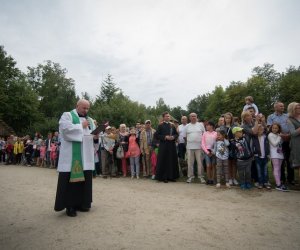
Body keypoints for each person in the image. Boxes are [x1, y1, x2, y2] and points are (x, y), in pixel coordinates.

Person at [54, 99, 97, 217]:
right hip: (71, 157)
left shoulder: (90, 120)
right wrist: (80, 126)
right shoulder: (67, 115)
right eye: (84, 108)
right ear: (77, 106)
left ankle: (83, 203)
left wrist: (96, 136)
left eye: (88, 108)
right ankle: (70, 206)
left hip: (86, 156)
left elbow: (92, 136)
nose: (86, 110)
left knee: (85, 181)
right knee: (71, 184)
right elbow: (65, 130)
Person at [267, 102, 294, 185]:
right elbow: (269, 128)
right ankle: (281, 179)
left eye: (283, 106)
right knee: (278, 162)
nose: (283, 107)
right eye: (281, 106)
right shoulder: (271, 117)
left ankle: (291, 179)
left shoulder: (287, 116)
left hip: (288, 140)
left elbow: (292, 127)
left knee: (289, 160)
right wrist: (280, 135)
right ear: (275, 107)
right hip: (277, 142)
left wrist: (288, 135)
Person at [155, 112, 179, 183]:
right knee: (164, 161)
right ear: (163, 117)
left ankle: (171, 176)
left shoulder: (172, 125)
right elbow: (157, 135)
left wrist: (173, 137)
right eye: (166, 116)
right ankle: (164, 177)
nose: (168, 117)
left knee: (171, 160)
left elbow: (176, 134)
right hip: (164, 145)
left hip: (171, 146)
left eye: (168, 116)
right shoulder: (160, 125)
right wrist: (165, 137)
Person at [184, 113, 206, 184]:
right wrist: (190, 141)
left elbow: (204, 134)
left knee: (200, 162)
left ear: (197, 117)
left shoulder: (201, 125)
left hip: (199, 147)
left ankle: (201, 176)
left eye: (195, 116)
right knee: (190, 163)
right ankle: (190, 176)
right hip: (190, 147)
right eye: (192, 116)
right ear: (189, 118)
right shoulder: (187, 126)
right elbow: (185, 136)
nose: (193, 117)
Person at [268, 123, 288, 191]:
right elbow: (274, 144)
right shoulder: (270, 135)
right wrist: (279, 137)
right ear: (271, 128)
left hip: (280, 154)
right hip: (274, 154)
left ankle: (279, 183)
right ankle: (278, 184)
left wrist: (280, 137)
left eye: (276, 128)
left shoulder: (278, 135)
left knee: (279, 169)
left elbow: (280, 144)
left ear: (279, 129)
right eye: (273, 128)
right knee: (276, 168)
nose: (275, 129)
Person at [220, 112, 238, 186]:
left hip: (233, 146)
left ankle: (234, 178)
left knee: (234, 163)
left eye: (229, 118)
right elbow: (221, 137)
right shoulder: (222, 127)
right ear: (224, 119)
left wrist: (234, 139)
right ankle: (230, 178)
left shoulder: (235, 126)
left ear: (231, 119)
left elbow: (237, 135)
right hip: (226, 146)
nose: (228, 119)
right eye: (226, 118)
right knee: (228, 163)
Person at [252, 125, 271, 189]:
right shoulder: (254, 138)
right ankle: (260, 183)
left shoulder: (265, 137)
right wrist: (254, 153)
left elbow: (267, 146)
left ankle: (265, 182)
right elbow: (252, 146)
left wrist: (268, 154)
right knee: (259, 170)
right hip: (257, 157)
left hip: (265, 156)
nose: (260, 131)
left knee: (265, 170)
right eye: (259, 130)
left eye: (262, 130)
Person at [287, 102, 300, 170]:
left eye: (299, 107)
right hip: (297, 144)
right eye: (297, 108)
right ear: (292, 109)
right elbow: (293, 133)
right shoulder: (289, 120)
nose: (299, 108)